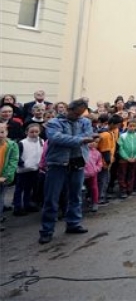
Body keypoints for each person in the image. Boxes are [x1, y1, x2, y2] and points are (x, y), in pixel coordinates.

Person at [38, 98, 96, 244]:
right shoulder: (54, 122)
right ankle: (47, 230)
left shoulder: (85, 121)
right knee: (52, 198)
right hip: (57, 164)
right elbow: (56, 138)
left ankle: (73, 223)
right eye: (76, 113)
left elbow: (88, 135)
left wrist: (76, 139)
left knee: (76, 195)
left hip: (78, 162)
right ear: (69, 109)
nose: (78, 116)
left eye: (81, 114)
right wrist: (81, 140)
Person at [13, 122, 44, 215]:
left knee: (29, 188)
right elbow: (17, 155)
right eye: (32, 132)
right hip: (23, 170)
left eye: (36, 132)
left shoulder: (41, 141)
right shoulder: (22, 143)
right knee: (19, 189)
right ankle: (17, 207)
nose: (34, 134)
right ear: (26, 132)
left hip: (35, 169)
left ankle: (27, 204)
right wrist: (21, 163)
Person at [0, 123, 19, 230]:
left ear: (7, 132)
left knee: (0, 198)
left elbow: (13, 161)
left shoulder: (12, 145)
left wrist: (6, 176)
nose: (0, 135)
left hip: (2, 178)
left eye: (2, 132)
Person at [117, 120, 136, 197]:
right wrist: (126, 157)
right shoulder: (122, 136)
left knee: (131, 174)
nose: (132, 127)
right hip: (124, 159)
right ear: (127, 126)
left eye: (134, 126)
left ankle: (129, 189)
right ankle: (123, 190)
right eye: (130, 126)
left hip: (134, 158)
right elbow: (120, 148)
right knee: (122, 174)